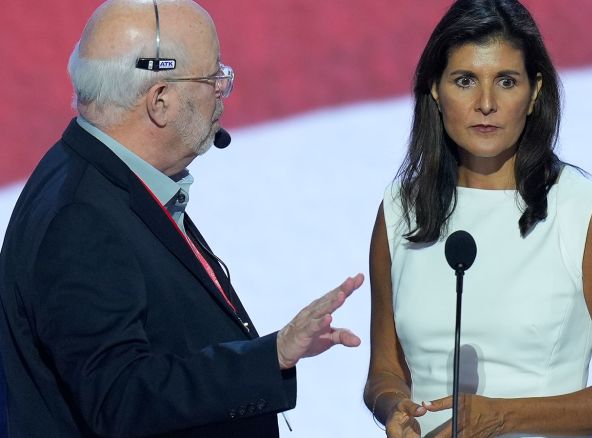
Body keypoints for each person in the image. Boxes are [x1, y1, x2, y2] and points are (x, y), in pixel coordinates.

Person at [0, 0, 363, 437]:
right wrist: (271, 356)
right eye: (212, 78)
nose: (222, 90)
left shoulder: (95, 174)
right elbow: (122, 399)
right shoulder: (81, 221)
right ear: (161, 101)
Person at [363, 1, 592, 437]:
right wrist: (393, 407)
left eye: (506, 81)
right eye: (465, 80)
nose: (486, 103)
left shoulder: (583, 212)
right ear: (435, 88)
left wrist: (503, 416)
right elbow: (385, 371)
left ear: (534, 93)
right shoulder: (400, 210)